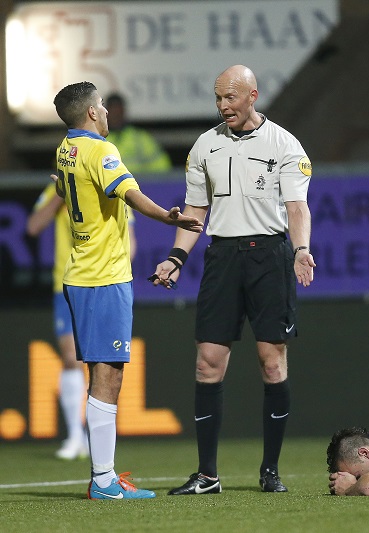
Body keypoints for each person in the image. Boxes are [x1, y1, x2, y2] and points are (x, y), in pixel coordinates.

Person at [150, 64, 315, 496]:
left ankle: (270, 471)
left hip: (269, 256)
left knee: (271, 361)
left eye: (231, 98)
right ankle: (207, 475)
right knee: (207, 362)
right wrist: (175, 257)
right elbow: (195, 213)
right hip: (222, 257)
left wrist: (301, 250)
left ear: (253, 95)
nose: (224, 106)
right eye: (218, 98)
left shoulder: (283, 143)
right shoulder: (205, 146)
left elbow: (297, 206)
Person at [51, 81, 203, 499]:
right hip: (103, 277)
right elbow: (131, 195)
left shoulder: (66, 148)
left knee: (100, 372)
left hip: (80, 273)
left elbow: (66, 189)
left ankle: (105, 475)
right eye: (100, 104)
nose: (104, 110)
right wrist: (170, 218)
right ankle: (103, 480)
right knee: (108, 375)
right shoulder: (102, 150)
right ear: (91, 114)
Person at [26, 183, 136, 460]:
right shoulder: (61, 189)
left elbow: (130, 241)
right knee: (70, 357)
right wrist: (58, 197)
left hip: (104, 283)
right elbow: (33, 227)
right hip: (67, 283)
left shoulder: (116, 188)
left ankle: (91, 437)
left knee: (100, 361)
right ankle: (75, 434)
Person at [104, 93, 172, 173]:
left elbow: (163, 167)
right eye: (113, 112)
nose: (116, 116)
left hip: (138, 184)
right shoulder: (97, 139)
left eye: (118, 112)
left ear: (124, 112)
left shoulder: (139, 138)